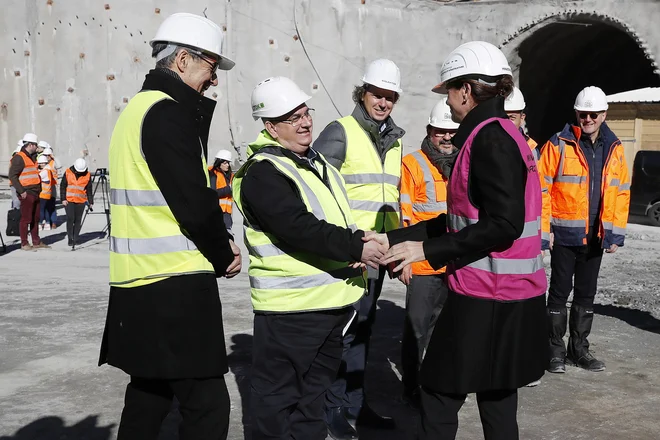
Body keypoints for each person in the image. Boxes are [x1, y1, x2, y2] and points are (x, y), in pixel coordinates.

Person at [373, 41, 548, 440]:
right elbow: (459, 220)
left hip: (487, 294)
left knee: (436, 389)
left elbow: (503, 224)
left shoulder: (490, 139)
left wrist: (426, 251)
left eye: (449, 91)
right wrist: (393, 236)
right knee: (497, 397)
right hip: (510, 293)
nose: (448, 104)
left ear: (466, 90)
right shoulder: (502, 133)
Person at [98, 12, 240, 440]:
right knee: (206, 405)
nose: (213, 79)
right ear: (182, 60)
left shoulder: (139, 109)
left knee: (149, 394)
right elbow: (193, 203)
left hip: (138, 282)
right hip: (172, 285)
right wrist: (223, 250)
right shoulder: (167, 113)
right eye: (210, 66)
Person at [235, 76, 387, 440]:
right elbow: (297, 227)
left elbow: (335, 221)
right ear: (270, 127)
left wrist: (354, 242)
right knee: (278, 404)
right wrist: (353, 248)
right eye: (293, 118)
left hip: (330, 304)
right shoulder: (264, 172)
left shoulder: (318, 164)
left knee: (311, 403)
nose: (305, 123)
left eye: (306, 114)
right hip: (290, 311)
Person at [315, 58, 405, 438]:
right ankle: (333, 408)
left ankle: (355, 405)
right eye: (377, 94)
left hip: (379, 253)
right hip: (351, 253)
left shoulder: (395, 139)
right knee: (344, 330)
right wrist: (345, 242)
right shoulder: (341, 132)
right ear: (363, 93)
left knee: (364, 328)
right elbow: (313, 189)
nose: (383, 102)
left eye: (390, 97)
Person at [539, 86, 630, 374]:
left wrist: (614, 232)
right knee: (558, 293)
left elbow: (622, 192)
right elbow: (541, 188)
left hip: (595, 236)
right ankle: (554, 352)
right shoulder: (558, 144)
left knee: (586, 295)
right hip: (564, 235)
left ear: (604, 115)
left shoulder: (614, 148)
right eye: (583, 114)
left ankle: (579, 350)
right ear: (576, 114)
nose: (588, 118)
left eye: (593, 114)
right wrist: (545, 232)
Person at [398, 97, 457, 408]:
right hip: (421, 264)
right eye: (440, 132)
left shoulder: (464, 163)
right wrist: (403, 261)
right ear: (429, 131)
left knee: (441, 330)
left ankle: (432, 382)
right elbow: (404, 215)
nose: (446, 137)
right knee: (416, 329)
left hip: (453, 262)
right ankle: (410, 386)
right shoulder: (413, 163)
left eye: (451, 132)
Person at [8, 133, 50, 251]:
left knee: (35, 218)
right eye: (36, 145)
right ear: (30, 145)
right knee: (26, 219)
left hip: (35, 192)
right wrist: (21, 191)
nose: (37, 148)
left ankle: (36, 241)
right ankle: (24, 243)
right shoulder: (19, 157)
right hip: (27, 192)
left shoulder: (32, 157)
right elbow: (12, 175)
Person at [60, 158, 93, 246]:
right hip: (69, 200)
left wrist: (90, 201)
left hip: (81, 201)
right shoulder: (68, 172)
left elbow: (89, 189)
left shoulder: (88, 175)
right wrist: (63, 199)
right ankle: (70, 238)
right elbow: (63, 186)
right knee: (70, 218)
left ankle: (76, 237)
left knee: (78, 220)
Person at [504, 87, 540, 160]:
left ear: (522, 118)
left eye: (512, 118)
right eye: (503, 118)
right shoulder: (486, 144)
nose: (506, 123)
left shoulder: (531, 150)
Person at [208, 149, 234, 232]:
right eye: (225, 163)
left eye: (228, 163)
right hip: (216, 211)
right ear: (219, 163)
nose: (227, 165)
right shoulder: (213, 174)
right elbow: (213, 193)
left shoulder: (230, 176)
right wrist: (229, 189)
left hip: (227, 213)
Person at [37, 154, 58, 230]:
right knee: (46, 209)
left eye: (42, 163)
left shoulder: (45, 171)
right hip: (47, 193)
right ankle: (47, 223)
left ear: (45, 163)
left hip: (43, 193)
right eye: (40, 163)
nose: (41, 165)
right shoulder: (48, 170)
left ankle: (39, 223)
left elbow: (38, 177)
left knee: (41, 209)